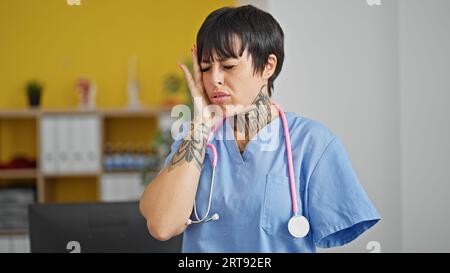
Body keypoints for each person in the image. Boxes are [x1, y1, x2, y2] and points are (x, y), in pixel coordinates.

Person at [139, 5, 380, 253]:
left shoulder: (312, 143)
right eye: (205, 67)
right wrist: (200, 123)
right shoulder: (197, 141)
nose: (214, 80)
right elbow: (162, 225)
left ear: (268, 66)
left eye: (228, 66)